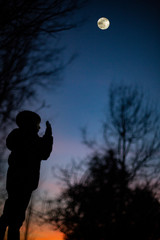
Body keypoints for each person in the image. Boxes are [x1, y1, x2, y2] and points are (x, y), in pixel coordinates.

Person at [0, 110, 53, 240]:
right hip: (19, 180)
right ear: (30, 123)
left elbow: (44, 153)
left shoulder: (32, 139)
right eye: (37, 124)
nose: (39, 127)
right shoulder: (20, 135)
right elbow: (12, 143)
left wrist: (48, 136)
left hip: (28, 182)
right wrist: (44, 138)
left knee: (16, 217)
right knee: (12, 214)